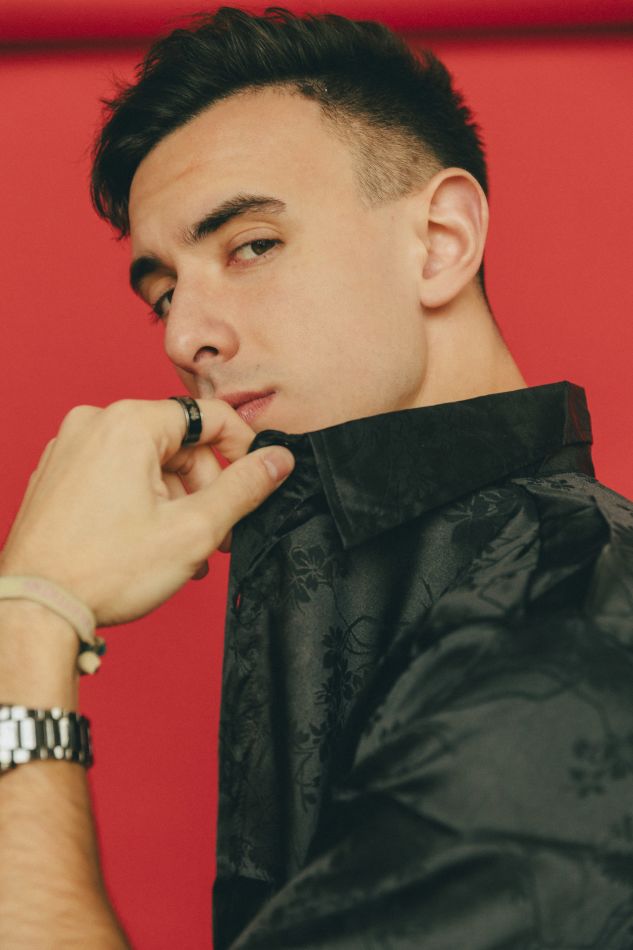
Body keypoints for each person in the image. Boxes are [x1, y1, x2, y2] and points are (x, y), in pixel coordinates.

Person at [2, 6, 633, 948]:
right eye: (164, 294)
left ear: (440, 241)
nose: (184, 336)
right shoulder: (377, 581)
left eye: (251, 245)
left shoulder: (564, 629)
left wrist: (29, 624)